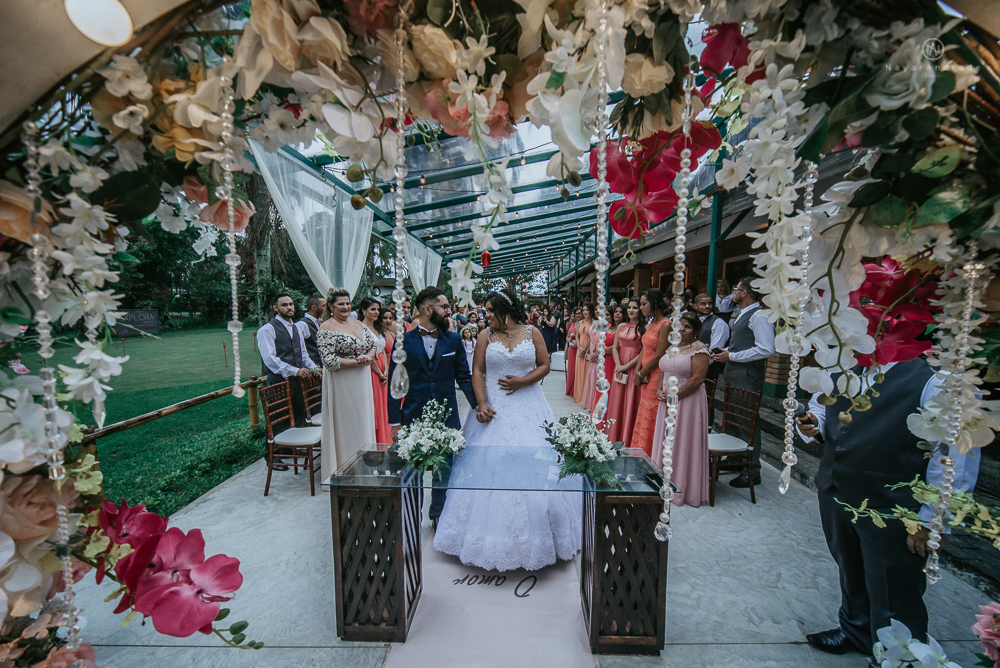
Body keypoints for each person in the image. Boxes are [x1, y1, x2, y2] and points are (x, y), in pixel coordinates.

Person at [796, 358, 980, 657]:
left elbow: (953, 455)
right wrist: (814, 424)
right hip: (837, 487)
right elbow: (821, 409)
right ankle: (856, 629)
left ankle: (901, 656)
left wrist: (934, 519)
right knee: (850, 566)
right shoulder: (845, 366)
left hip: (894, 502)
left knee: (895, 584)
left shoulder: (938, 377)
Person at [433, 288, 581, 571]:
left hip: (528, 403)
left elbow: (545, 365)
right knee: (490, 462)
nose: (486, 316)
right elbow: (477, 372)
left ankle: (541, 536)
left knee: (536, 461)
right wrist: (481, 404)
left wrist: (523, 382)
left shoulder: (532, 333)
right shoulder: (486, 337)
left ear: (506, 310)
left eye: (490, 310)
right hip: (494, 406)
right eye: (486, 311)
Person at [388, 286, 477, 526]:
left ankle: (438, 513)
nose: (449, 311)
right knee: (413, 470)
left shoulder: (454, 340)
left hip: (447, 416)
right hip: (413, 416)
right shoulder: (403, 342)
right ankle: (411, 513)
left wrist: (478, 406)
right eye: (444, 307)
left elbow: (464, 377)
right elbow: (397, 386)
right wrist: (395, 422)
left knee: (444, 469)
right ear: (428, 309)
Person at [711, 277, 775, 488]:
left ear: (745, 293)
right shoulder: (744, 314)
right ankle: (736, 458)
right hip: (735, 373)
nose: (733, 293)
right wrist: (728, 353)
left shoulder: (759, 316)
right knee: (733, 420)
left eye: (736, 289)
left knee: (747, 421)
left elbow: (766, 349)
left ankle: (752, 470)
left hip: (747, 376)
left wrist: (733, 357)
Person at [317, 288, 378, 480]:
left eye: (347, 303)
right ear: (331, 306)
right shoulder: (326, 327)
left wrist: (367, 358)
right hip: (342, 382)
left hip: (363, 380)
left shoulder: (358, 323)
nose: (345, 307)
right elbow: (328, 360)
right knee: (348, 422)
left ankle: (366, 463)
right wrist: (356, 362)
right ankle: (346, 468)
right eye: (340, 304)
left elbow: (374, 345)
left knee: (363, 419)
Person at [651, 313, 710, 506]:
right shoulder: (672, 346)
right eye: (679, 326)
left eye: (687, 327)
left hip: (688, 402)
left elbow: (697, 379)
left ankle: (684, 486)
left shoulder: (699, 349)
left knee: (683, 440)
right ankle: (663, 481)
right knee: (667, 439)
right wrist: (660, 390)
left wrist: (675, 396)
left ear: (695, 330)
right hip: (667, 401)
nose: (682, 330)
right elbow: (664, 371)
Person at [258, 293, 319, 471]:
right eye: (284, 305)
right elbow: (270, 359)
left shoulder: (297, 328)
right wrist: (294, 370)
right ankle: (273, 456)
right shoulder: (267, 330)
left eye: (291, 304)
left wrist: (314, 368)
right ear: (275, 308)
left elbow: (303, 354)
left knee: (298, 413)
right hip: (279, 380)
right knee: (277, 416)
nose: (289, 308)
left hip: (298, 380)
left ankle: (291, 448)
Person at [631, 289, 671, 457]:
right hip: (646, 372)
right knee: (644, 410)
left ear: (655, 304)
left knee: (652, 412)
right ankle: (641, 449)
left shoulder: (666, 325)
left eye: (644, 304)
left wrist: (642, 373)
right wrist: (639, 370)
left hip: (656, 374)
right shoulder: (651, 324)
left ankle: (652, 453)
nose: (641, 308)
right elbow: (644, 350)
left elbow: (660, 354)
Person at [607, 297, 644, 444]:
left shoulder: (644, 327)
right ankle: (615, 434)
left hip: (634, 365)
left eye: (635, 308)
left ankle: (628, 436)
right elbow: (615, 348)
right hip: (619, 366)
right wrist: (618, 365)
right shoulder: (621, 325)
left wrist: (627, 366)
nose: (631, 310)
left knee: (631, 399)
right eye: (629, 307)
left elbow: (643, 351)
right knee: (618, 400)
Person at [358, 298, 391, 445]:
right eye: (373, 309)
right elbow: (367, 354)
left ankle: (386, 438)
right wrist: (379, 373)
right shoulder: (361, 329)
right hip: (372, 370)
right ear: (364, 310)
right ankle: (377, 440)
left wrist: (387, 371)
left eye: (378, 309)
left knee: (385, 406)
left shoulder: (376, 329)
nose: (376, 312)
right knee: (376, 407)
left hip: (383, 369)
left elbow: (382, 349)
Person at [591, 304, 623, 426]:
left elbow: (617, 347)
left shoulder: (617, 329)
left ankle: (608, 418)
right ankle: (598, 418)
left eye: (608, 314)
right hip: (602, 361)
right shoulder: (607, 328)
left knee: (608, 390)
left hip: (611, 361)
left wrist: (601, 351)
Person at [296, 294, 326, 368]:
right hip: (313, 369)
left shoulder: (320, 322)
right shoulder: (302, 325)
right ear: (314, 307)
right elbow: (299, 349)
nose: (327, 309)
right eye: (324, 306)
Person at [573, 304, 593, 404]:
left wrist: (585, 349)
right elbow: (577, 336)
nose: (585, 312)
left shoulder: (594, 323)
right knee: (579, 372)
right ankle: (579, 396)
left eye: (587, 310)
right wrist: (579, 347)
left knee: (586, 372)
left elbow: (592, 337)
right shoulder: (581, 322)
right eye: (584, 310)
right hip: (579, 349)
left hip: (588, 349)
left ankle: (585, 398)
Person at [565, 308, 579, 396]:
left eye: (577, 314)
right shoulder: (572, 324)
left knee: (576, 368)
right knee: (571, 368)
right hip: (571, 347)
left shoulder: (581, 324)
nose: (575, 316)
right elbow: (567, 336)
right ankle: (570, 388)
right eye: (573, 315)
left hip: (577, 347)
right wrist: (568, 339)